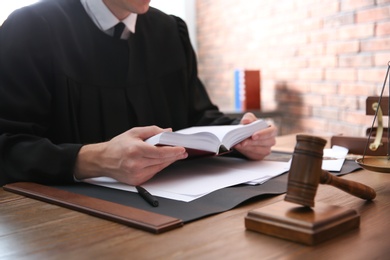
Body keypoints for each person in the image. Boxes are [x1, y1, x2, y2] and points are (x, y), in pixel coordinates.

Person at [0, 0, 277, 186]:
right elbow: (7, 145)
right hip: (62, 227)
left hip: (173, 212)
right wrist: (96, 159)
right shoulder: (32, 28)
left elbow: (197, 115)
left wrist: (241, 135)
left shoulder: (169, 31)